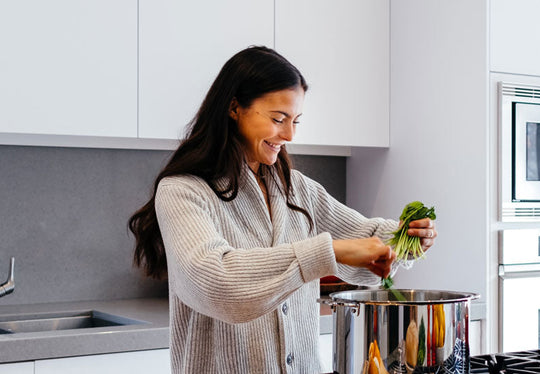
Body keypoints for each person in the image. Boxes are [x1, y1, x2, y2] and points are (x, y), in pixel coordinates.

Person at [127, 46, 437, 373]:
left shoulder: (296, 188)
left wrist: (408, 237)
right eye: (278, 119)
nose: (289, 134)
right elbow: (217, 282)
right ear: (235, 108)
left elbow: (367, 241)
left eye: (295, 121)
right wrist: (328, 251)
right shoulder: (183, 191)